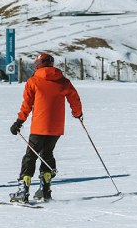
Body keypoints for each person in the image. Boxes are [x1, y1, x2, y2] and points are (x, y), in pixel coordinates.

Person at [9, 53, 83, 202]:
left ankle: (23, 191)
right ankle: (45, 190)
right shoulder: (63, 81)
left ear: (37, 65)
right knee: (47, 155)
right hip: (56, 128)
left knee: (30, 157)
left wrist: (19, 121)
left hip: (39, 127)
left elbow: (27, 105)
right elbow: (74, 98)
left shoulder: (33, 81)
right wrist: (78, 113)